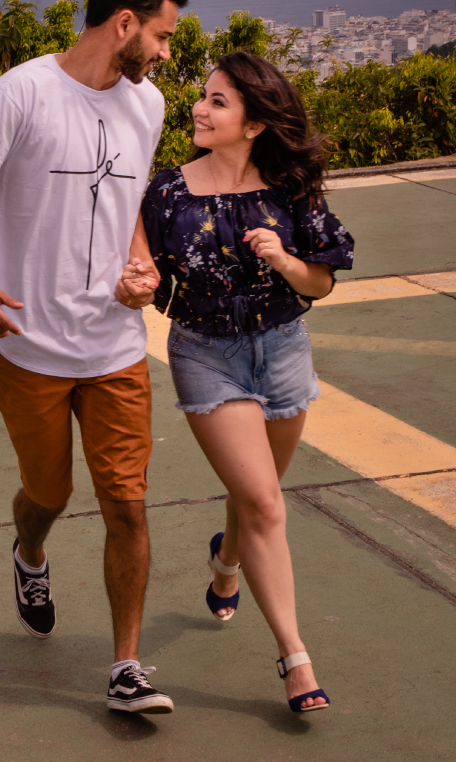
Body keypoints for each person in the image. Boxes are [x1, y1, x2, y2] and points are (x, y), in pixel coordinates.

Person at [0, 0, 185, 714]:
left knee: (128, 507)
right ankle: (30, 557)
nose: (166, 53)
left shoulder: (148, 106)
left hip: (114, 346)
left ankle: (126, 667)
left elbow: (130, 200)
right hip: (27, 347)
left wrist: (140, 265)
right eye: (163, 36)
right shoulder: (22, 91)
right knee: (49, 495)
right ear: (123, 22)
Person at [133, 52, 355, 713]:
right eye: (202, 97)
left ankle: (226, 561)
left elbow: (322, 280)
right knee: (263, 504)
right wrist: (133, 283)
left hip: (283, 348)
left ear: (255, 122)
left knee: (256, 496)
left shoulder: (290, 188)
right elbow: (143, 276)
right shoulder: (167, 195)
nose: (200, 108)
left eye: (219, 101)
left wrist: (285, 259)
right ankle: (295, 659)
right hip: (206, 353)